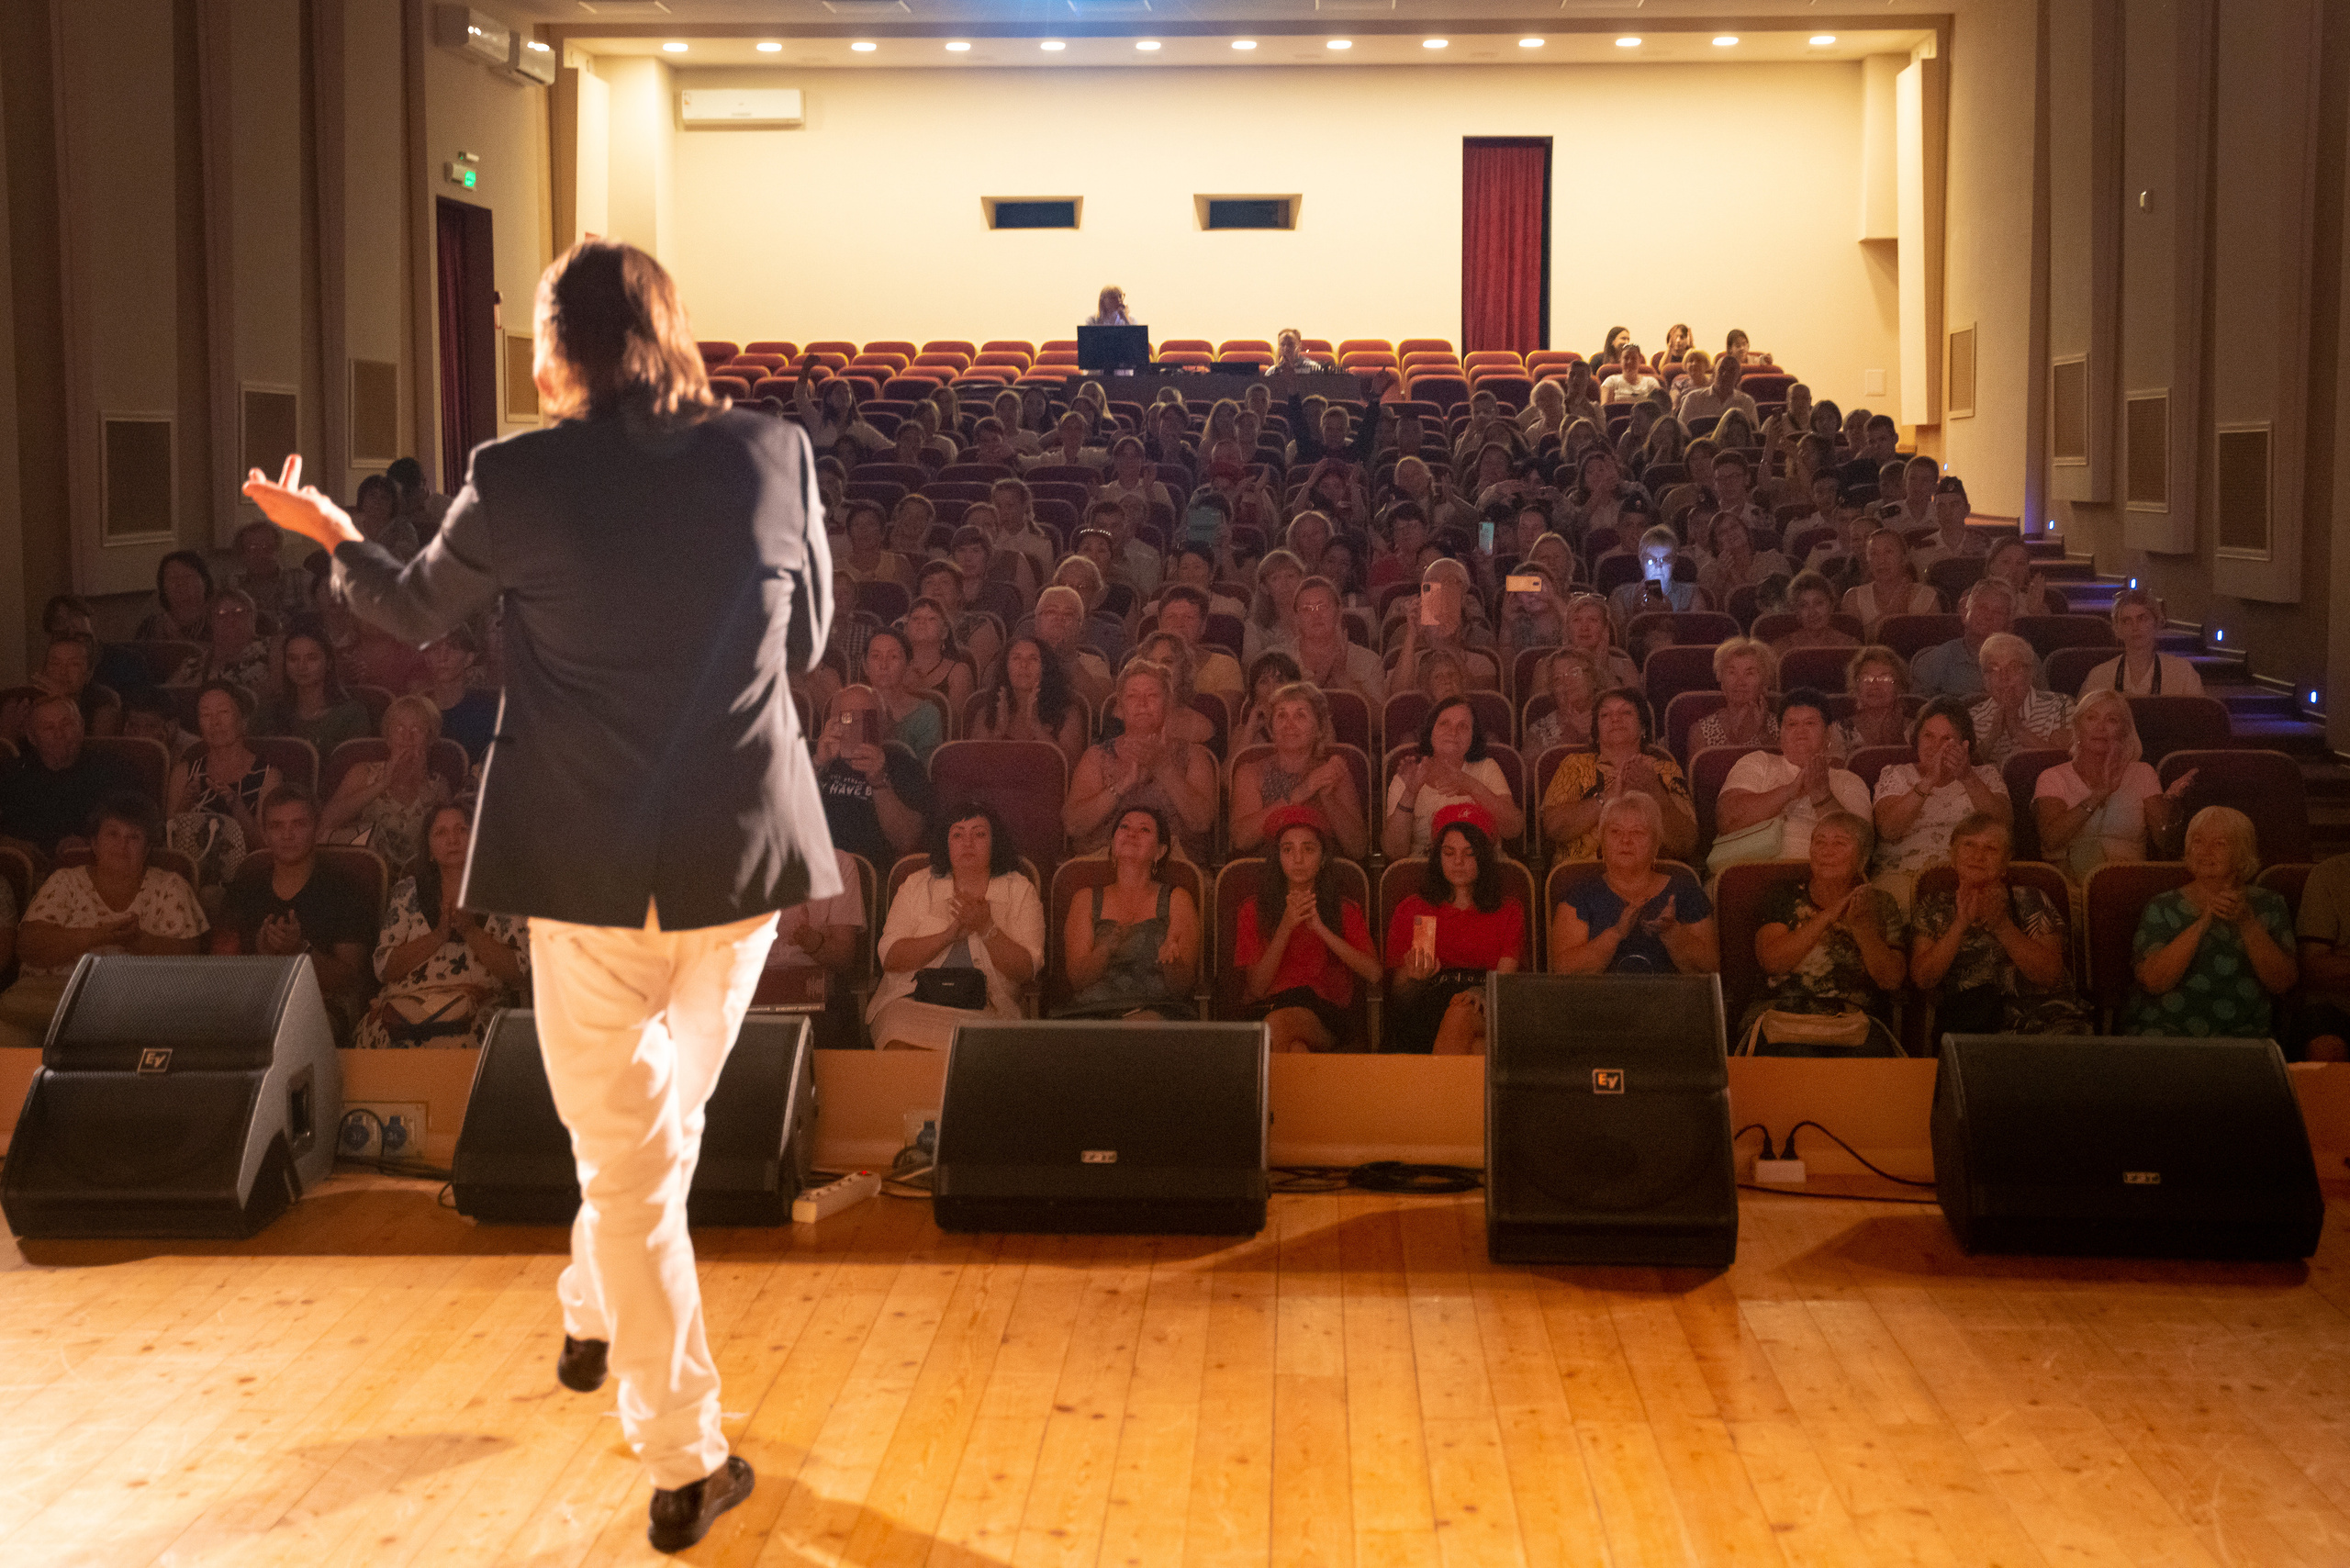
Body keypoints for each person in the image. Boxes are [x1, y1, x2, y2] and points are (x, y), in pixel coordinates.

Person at [241, 239, 839, 1547]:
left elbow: (405, 609)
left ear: (559, 349)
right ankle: (638, 1382)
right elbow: (811, 639)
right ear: (670, 329)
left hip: (583, 867)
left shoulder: (513, 478)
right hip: (737, 859)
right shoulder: (773, 452)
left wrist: (332, 532)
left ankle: (638, 1379)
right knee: (650, 1143)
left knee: (635, 1166)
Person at [0, 792, 207, 1040]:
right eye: (112, 834)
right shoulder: (65, 881)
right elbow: (28, 947)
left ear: (148, 848)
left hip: (137, 1007)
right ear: (94, 844)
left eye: (134, 837)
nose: (122, 845)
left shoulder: (170, 887)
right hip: (50, 1003)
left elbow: (189, 958)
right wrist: (96, 935)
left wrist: (138, 940)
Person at [352, 798, 531, 1048]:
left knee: (461, 1039)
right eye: (441, 832)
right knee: (380, 1034)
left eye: (462, 830)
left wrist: (471, 931)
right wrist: (438, 936)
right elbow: (384, 968)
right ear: (430, 849)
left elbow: (521, 973)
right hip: (404, 1009)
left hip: (474, 1011)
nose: (453, 839)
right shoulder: (407, 892)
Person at [868, 801, 1044, 1049]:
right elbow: (891, 958)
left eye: (979, 834)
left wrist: (987, 929)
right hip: (910, 1003)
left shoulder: (1020, 890)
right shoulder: (916, 885)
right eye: (958, 834)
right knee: (901, 1045)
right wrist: (947, 936)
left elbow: (1026, 970)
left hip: (988, 1011)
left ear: (995, 843)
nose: (968, 843)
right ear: (946, 844)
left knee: (974, 1055)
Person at [1908, 813, 2094, 1035]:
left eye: (1991, 849)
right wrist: (1960, 924)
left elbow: (2050, 976)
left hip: (2048, 1021)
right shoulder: (1934, 905)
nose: (1978, 856)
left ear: (2006, 860)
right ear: (1953, 855)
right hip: (1975, 1028)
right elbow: (1923, 979)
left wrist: (2001, 925)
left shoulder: (2032, 898)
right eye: (1969, 845)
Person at [2121, 806, 2297, 1037]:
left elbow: (2282, 983)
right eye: (2197, 841)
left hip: (2245, 1033)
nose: (2205, 851)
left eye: (2220, 843)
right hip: (2167, 1029)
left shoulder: (2270, 904)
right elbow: (2154, 982)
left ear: (2242, 853)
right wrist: (2203, 922)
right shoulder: (2162, 906)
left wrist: (2247, 922)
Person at [218, 785, 376, 1034]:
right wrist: (264, 951)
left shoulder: (346, 889)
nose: (287, 835)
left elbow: (350, 981)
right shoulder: (247, 884)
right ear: (265, 834)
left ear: (317, 829)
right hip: (253, 997)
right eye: (277, 826)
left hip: (323, 1001)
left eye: (299, 824)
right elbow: (222, 967)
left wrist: (300, 951)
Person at [1741, 811, 1906, 1051]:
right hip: (1782, 1017)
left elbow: (1891, 980)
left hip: (1854, 1026)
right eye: (1819, 842)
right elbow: (1773, 961)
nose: (1826, 851)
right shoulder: (1783, 895)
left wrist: (1862, 929)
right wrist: (1829, 914)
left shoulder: (1881, 904)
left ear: (1862, 858)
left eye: (1840, 843)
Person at [1233, 803, 1381, 1052]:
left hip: (1323, 1013)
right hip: (1268, 1007)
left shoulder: (1345, 909)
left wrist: (1320, 928)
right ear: (1278, 858)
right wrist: (1286, 926)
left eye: (1308, 849)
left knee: (1279, 1026)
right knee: (1296, 1050)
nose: (1298, 859)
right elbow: (1257, 988)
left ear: (1323, 858)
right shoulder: (1253, 909)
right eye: (1288, 850)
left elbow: (1374, 973)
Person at [1383, 801, 1525, 1055]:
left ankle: (1435, 1094)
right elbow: (1399, 997)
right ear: (1437, 856)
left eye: (1469, 853)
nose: (1458, 862)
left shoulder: (1508, 910)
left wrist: (1482, 991)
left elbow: (1505, 983)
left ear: (1483, 856)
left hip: (1486, 1001)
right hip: (1428, 1002)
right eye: (1449, 853)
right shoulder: (1414, 908)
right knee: (1478, 1049)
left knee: (1461, 1012)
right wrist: (1413, 977)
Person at [1066, 659, 1218, 866]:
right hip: (1105, 867)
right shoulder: (1097, 756)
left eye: (1152, 696)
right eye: (1132, 696)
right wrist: (1122, 786)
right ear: (1121, 706)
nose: (1142, 704)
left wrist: (1163, 768)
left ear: (1168, 703)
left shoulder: (1194, 756)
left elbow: (1201, 823)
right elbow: (1073, 826)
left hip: (1173, 869)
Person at [2032, 689, 2192, 883]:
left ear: (2124, 731)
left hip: (2129, 886)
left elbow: (2165, 841)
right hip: (2072, 889)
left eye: (2112, 720)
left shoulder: (2142, 773)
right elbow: (2051, 840)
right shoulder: (2052, 777)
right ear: (2077, 727)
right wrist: (2100, 793)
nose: (2101, 727)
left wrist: (2173, 802)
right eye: (2091, 718)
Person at [1550, 792, 1719, 975]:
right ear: (1602, 842)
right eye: (1615, 831)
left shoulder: (1686, 892)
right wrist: (1615, 934)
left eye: (1637, 832)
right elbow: (1564, 972)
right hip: (1599, 1002)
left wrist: (1673, 934)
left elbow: (1711, 972)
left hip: (1669, 1002)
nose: (1625, 840)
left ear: (1656, 843)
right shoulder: (1579, 895)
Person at [1058, 805, 1201, 1020]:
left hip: (1156, 1010)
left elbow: (1182, 988)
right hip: (1093, 1011)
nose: (1132, 833)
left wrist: (1171, 960)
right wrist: (1106, 949)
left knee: (1144, 1024)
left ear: (1160, 851)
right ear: (1113, 845)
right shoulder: (1085, 899)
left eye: (1144, 830)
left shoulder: (1177, 899)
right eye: (1124, 827)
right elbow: (1077, 980)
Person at [1871, 697, 2010, 909]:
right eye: (1928, 735)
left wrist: (1967, 777)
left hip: (1971, 876)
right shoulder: (1896, 774)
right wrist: (1928, 782)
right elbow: (1889, 830)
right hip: (1903, 875)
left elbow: (2004, 826)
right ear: (1917, 739)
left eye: (1946, 739)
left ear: (1965, 744)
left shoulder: (1986, 775)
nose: (1935, 746)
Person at [1712, 689, 1874, 870]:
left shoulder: (1848, 781)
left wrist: (1822, 795)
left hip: (1822, 875)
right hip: (1750, 870)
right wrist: (1789, 791)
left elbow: (1861, 850)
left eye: (1810, 723)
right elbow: (1727, 819)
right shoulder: (1757, 762)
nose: (1800, 732)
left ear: (1828, 734)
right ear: (1780, 734)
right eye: (1791, 724)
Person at [1539, 687, 1698, 861]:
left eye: (1626, 712)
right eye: (1605, 715)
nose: (1615, 719)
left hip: (1651, 872)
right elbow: (1554, 829)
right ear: (1596, 732)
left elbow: (1687, 844)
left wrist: (1655, 791)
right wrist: (1609, 795)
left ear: (1643, 727)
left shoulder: (1665, 770)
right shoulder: (1574, 765)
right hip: (1585, 873)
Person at [1231, 681, 1368, 859]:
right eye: (1281, 716)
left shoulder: (1333, 772)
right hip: (1267, 871)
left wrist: (1327, 797)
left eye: (1300, 716)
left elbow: (1358, 849)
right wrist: (1301, 793)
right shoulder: (1250, 772)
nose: (1289, 724)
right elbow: (1241, 840)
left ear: (1319, 729)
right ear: (1271, 729)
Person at [319, 694, 451, 871]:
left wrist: (422, 783)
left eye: (417, 729)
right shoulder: (363, 773)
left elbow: (448, 842)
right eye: (399, 729)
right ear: (388, 738)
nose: (407, 737)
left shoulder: (439, 785)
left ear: (430, 738)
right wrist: (382, 784)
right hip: (366, 873)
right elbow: (324, 824)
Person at [1382, 695, 1523, 859]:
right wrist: (1410, 793)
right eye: (1444, 724)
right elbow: (1394, 852)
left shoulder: (1487, 768)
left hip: (1483, 868)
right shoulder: (1408, 776)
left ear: (1472, 737)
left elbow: (1513, 829)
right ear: (1430, 732)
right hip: (1425, 871)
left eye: (1463, 726)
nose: (1453, 732)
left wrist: (1470, 785)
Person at [166, 680, 280, 880]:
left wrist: (237, 807)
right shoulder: (184, 771)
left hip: (246, 877)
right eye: (206, 715)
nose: (215, 723)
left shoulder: (268, 776)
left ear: (243, 721)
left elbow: (266, 848)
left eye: (223, 713)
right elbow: (168, 842)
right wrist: (185, 802)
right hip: (190, 877)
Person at [0, 695, 141, 856]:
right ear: (32, 738)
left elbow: (138, 823)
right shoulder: (11, 774)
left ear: (81, 727)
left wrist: (90, 843)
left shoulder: (114, 768)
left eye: (66, 724)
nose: (59, 734)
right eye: (48, 728)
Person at [815, 684, 934, 868]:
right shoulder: (819, 760)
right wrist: (819, 764)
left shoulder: (903, 764)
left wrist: (879, 781)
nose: (856, 726)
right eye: (847, 718)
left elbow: (907, 841)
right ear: (833, 722)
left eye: (866, 718)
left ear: (882, 722)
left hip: (870, 870)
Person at [260, 617, 374, 759]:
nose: (302, 667)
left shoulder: (351, 715)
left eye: (312, 658)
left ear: (329, 663)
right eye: (293, 659)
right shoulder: (268, 713)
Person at [2077, 587, 2203, 696]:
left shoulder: (2182, 673)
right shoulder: (2099, 677)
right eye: (2127, 621)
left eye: (2142, 619)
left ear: (2157, 623)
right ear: (2117, 630)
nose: (2135, 627)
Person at [1970, 633, 2074, 765]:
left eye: (2013, 667)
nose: (2004, 677)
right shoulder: (1973, 717)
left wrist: (2018, 729)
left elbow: (2069, 764)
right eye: (1994, 668)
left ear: (2030, 673)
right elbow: (1965, 771)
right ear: (1984, 678)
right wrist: (1992, 737)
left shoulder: (2060, 706)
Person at [1910, 577, 2021, 700]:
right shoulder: (1933, 662)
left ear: (2010, 625)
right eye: (1982, 608)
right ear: (1965, 614)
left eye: (1998, 612)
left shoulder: (2026, 662)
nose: (1988, 616)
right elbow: (1918, 714)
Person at [1286, 575, 1385, 707]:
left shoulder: (1369, 661)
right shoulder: (1280, 662)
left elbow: (1381, 722)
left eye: (1322, 606)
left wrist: (1342, 676)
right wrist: (1319, 679)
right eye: (1306, 609)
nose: (1316, 615)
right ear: (1296, 618)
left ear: (1338, 612)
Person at [2288, 851, 2350, 1060]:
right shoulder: (2331, 873)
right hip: (2337, 1009)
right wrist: (2329, 964)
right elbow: (2312, 968)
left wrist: (2340, 958)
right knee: (2325, 1045)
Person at [418, 627, 498, 765]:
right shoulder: (413, 710)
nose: (442, 657)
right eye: (435, 648)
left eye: (453, 648)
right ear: (427, 658)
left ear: (468, 659)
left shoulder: (488, 712)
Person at [1840, 529, 1941, 637]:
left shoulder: (1926, 595)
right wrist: (1891, 612)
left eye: (1888, 552)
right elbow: (1854, 642)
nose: (1881, 560)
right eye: (1874, 553)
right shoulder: (1853, 597)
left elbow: (1932, 641)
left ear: (1904, 557)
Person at [1690, 639, 1782, 753]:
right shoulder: (1700, 732)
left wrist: (1764, 736)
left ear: (1764, 682)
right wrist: (1732, 741)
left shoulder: (1783, 728)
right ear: (1721, 679)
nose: (1740, 682)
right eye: (1732, 672)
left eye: (1749, 673)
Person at [1608, 525, 1711, 623]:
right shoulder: (1621, 596)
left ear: (1674, 561)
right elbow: (1618, 639)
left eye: (1665, 559)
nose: (1658, 566)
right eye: (1651, 560)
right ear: (1641, 559)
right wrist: (1635, 616)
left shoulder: (1691, 595)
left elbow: (1697, 637)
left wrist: (1670, 616)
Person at [1831, 645, 1913, 757]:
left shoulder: (1916, 730)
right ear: (1856, 686)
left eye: (1885, 678)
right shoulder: (1839, 731)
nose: (1875, 686)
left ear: (1898, 686)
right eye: (1866, 678)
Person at [234, 515, 317, 622]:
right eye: (252, 549)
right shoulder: (233, 586)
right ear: (242, 554)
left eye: (267, 548)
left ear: (278, 549)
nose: (261, 554)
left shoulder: (302, 580)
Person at [1523, 647, 1603, 756]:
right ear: (1553, 692)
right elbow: (1531, 770)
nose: (1566, 682)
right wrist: (1569, 735)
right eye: (1557, 679)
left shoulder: (1616, 717)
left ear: (1593, 679)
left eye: (1574, 672)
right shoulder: (1539, 731)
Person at [134, 549, 216, 644]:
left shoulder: (220, 621)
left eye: (187, 577)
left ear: (204, 582)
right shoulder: (150, 627)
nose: (180, 584)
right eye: (173, 579)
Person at [1772, 571, 1859, 654]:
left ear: (1831, 606)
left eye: (1819, 603)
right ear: (1796, 611)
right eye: (1803, 605)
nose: (1812, 613)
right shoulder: (1782, 649)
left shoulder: (1850, 646)